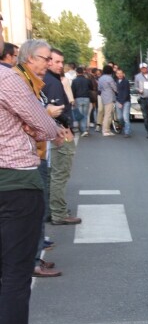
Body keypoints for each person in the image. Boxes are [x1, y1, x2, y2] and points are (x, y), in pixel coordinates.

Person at [0, 34, 66, 324]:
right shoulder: (8, 78)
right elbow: (43, 125)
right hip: (15, 181)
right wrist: (41, 128)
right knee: (15, 272)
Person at [43, 48, 82, 226]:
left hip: (55, 132)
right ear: (48, 61)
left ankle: (53, 210)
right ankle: (59, 213)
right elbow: (56, 111)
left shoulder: (49, 79)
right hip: (60, 133)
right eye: (56, 61)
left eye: (62, 62)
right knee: (60, 174)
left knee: (54, 174)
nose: (60, 65)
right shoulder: (52, 82)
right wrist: (66, 129)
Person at [97, 64, 117, 136]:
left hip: (103, 96)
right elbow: (114, 88)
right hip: (110, 97)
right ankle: (105, 130)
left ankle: (107, 130)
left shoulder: (100, 78)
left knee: (107, 114)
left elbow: (99, 88)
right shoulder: (110, 78)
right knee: (108, 114)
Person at [71, 66, 91, 136]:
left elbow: (73, 91)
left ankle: (81, 129)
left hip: (78, 98)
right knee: (85, 114)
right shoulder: (87, 80)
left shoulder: (74, 81)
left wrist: (72, 99)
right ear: (83, 72)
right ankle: (84, 129)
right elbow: (91, 88)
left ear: (76, 72)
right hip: (86, 98)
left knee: (79, 114)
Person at [115, 67, 131, 137]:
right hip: (118, 101)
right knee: (119, 118)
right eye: (118, 73)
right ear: (116, 74)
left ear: (123, 74)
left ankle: (127, 132)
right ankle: (122, 126)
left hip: (126, 101)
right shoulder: (116, 82)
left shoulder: (126, 81)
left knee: (125, 117)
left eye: (121, 73)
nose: (119, 75)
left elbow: (126, 93)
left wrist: (121, 102)